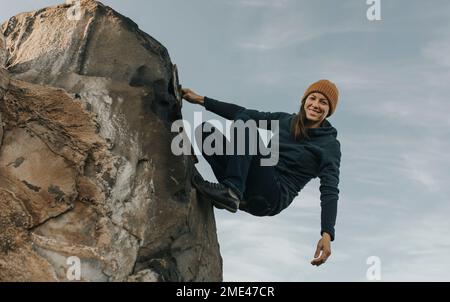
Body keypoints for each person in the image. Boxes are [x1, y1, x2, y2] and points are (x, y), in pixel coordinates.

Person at [182, 79, 341, 267]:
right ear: (304, 100)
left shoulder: (329, 145)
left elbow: (330, 189)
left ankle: (231, 191)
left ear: (329, 110)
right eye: (312, 98)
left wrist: (327, 233)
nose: (315, 105)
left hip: (272, 196)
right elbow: (244, 113)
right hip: (250, 184)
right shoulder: (285, 120)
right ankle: (233, 193)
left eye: (323, 102)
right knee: (206, 132)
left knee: (245, 125)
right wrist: (201, 99)